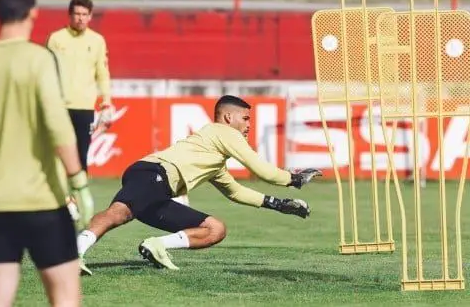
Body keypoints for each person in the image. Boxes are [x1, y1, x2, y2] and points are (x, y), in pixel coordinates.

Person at [0, 0, 95, 306]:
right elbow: (58, 126)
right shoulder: (39, 60)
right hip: (41, 202)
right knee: (65, 296)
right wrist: (79, 183)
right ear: (33, 12)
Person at [76, 95, 322, 275]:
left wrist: (277, 205)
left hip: (161, 188)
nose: (249, 124)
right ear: (228, 117)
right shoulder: (224, 133)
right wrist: (294, 179)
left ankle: (157, 245)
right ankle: (72, 254)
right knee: (120, 213)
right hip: (154, 172)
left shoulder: (214, 156)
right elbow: (261, 170)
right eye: (245, 118)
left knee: (215, 229)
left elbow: (235, 192)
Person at [46, 0, 114, 173]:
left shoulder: (97, 41)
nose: (81, 18)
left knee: (81, 158)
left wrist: (106, 101)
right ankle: (59, 199)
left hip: (85, 108)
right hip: (59, 107)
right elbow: (46, 73)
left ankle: (77, 199)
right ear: (70, 15)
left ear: (90, 16)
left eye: (85, 14)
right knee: (57, 157)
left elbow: (102, 73)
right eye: (77, 14)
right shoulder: (56, 39)